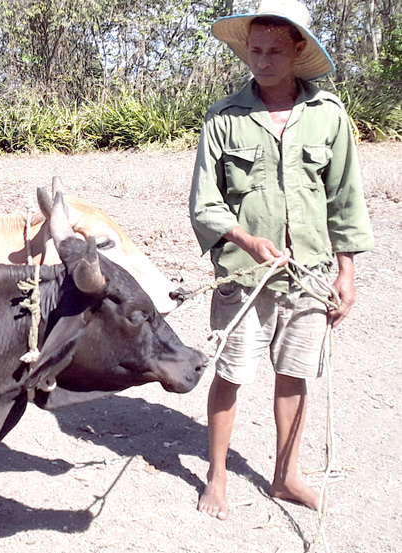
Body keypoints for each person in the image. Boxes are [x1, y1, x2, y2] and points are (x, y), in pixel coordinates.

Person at [189, 0, 375, 521]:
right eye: (255, 51)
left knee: (294, 374)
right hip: (243, 276)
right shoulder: (225, 118)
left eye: (275, 51)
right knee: (231, 372)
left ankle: (286, 475)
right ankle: (218, 475)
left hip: (309, 276)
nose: (263, 61)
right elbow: (205, 200)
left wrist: (346, 273)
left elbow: (345, 200)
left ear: (298, 51)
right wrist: (246, 241)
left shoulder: (329, 117)